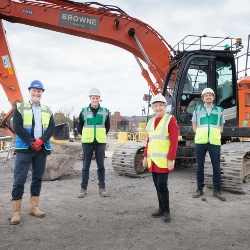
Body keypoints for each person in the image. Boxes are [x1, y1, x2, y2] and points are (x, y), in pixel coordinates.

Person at [10, 80, 55, 225]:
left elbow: (51, 128)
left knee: (37, 178)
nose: (36, 93)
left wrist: (41, 141)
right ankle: (16, 212)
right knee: (19, 180)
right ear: (29, 92)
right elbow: (17, 127)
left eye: (39, 91)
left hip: (41, 149)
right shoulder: (20, 107)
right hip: (24, 149)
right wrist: (31, 141)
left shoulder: (47, 109)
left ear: (42, 93)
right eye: (34, 90)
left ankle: (34, 208)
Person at [142, 94, 179, 223]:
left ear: (165, 107)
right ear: (153, 107)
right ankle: (160, 208)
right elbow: (149, 141)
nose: (158, 108)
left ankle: (167, 211)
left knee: (162, 185)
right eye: (156, 106)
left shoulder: (171, 120)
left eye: (161, 105)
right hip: (153, 160)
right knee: (157, 185)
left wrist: (170, 160)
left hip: (164, 160)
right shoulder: (151, 121)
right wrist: (145, 156)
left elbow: (174, 142)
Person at [192, 87, 226, 201]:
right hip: (200, 142)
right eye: (206, 95)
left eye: (210, 95)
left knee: (216, 167)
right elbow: (194, 126)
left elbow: (221, 127)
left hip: (214, 142)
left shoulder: (220, 110)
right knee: (199, 167)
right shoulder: (197, 110)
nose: (208, 97)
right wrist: (201, 134)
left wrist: (214, 134)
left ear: (213, 97)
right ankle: (199, 189)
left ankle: (217, 190)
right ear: (202, 98)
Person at [77, 88, 110, 198]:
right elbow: (79, 126)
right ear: (90, 98)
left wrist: (100, 135)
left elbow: (107, 126)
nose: (95, 100)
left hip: (100, 142)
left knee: (101, 166)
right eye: (93, 98)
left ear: (100, 99)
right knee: (85, 166)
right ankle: (83, 188)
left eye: (97, 98)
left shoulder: (105, 111)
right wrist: (86, 135)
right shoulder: (84, 111)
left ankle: (102, 187)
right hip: (87, 142)